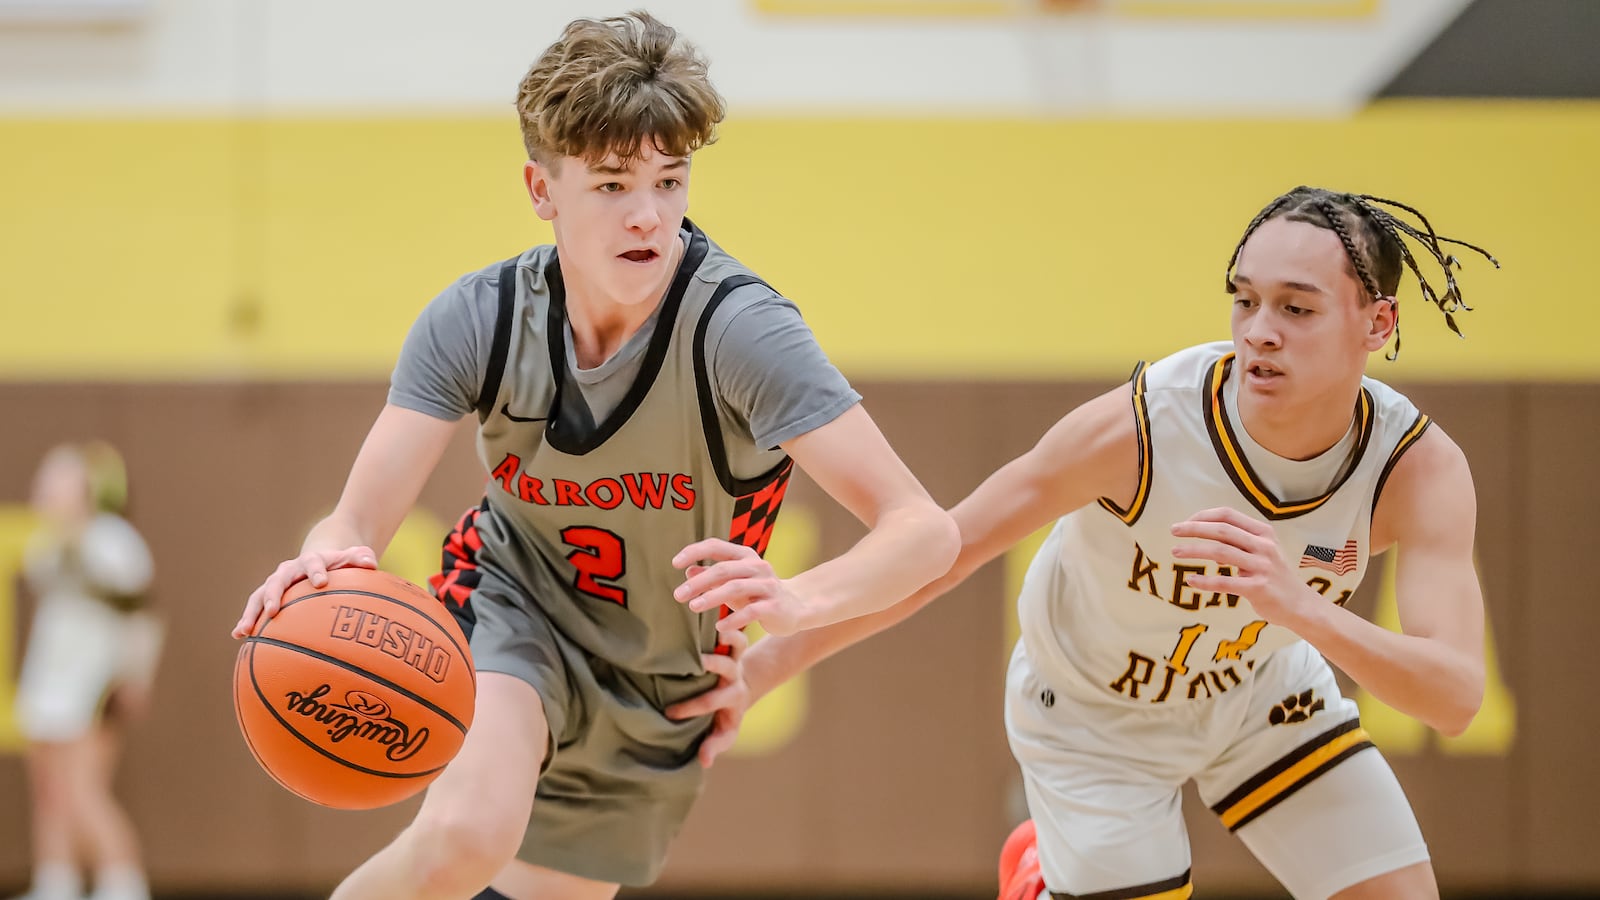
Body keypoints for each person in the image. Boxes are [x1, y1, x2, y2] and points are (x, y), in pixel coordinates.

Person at [231, 11, 959, 900]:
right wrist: (322, 559)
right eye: (611, 184)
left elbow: (923, 530)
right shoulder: (478, 319)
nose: (647, 213)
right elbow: (354, 520)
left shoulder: (742, 332)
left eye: (668, 178)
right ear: (543, 189)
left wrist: (797, 602)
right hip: (515, 605)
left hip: (660, 683)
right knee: (466, 834)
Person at [736, 186, 1499, 900]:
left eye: (1297, 308)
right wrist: (771, 660)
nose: (1260, 330)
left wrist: (1297, 607)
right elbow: (944, 551)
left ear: (1378, 323)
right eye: (1245, 299)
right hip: (1090, 717)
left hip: (1261, 695)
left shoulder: (1415, 468)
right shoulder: (1143, 430)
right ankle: (1041, 878)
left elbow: (1455, 697)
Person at [11, 442, 162, 900]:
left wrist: (136, 676)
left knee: (84, 791)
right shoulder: (45, 545)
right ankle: (56, 882)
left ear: (85, 488)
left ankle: (123, 882)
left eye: (58, 479)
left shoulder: (114, 542)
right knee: (48, 791)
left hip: (90, 685)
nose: (46, 488)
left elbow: (141, 616)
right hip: (47, 683)